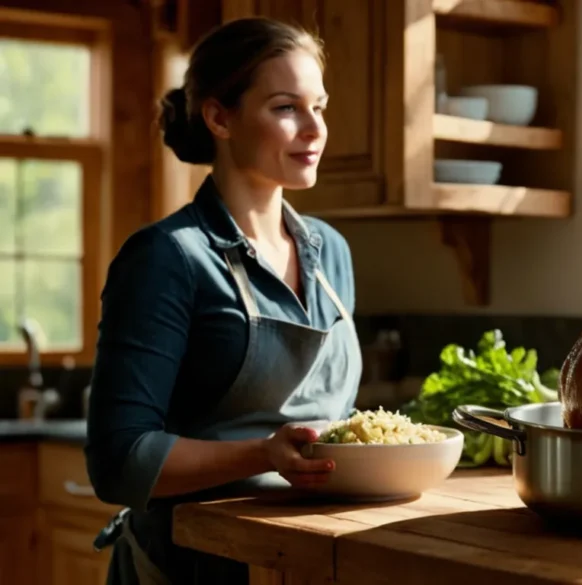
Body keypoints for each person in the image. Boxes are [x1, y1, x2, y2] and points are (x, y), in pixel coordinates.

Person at [84, 17, 361, 584]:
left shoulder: (331, 252)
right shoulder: (167, 257)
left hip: (301, 560)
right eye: (286, 108)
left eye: (321, 106)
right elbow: (118, 461)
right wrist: (265, 453)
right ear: (218, 117)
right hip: (188, 564)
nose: (315, 129)